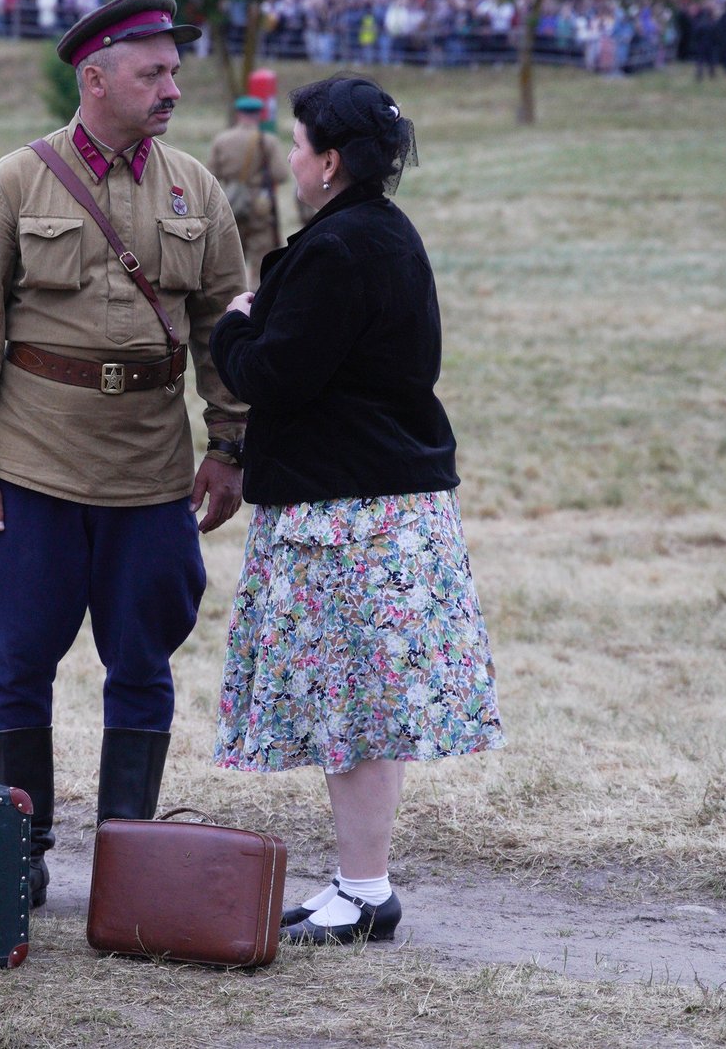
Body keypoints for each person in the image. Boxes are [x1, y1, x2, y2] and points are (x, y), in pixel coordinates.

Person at [0, 0, 250, 910]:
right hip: (34, 468)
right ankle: (20, 849)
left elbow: (225, 330)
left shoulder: (197, 188)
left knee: (143, 665)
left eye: (176, 72)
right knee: (19, 661)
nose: (172, 89)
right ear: (95, 76)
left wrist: (229, 445)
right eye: (153, 73)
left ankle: (127, 854)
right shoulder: (13, 183)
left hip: (151, 474)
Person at [208, 75, 505, 946]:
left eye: (300, 146)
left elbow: (271, 375)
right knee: (360, 714)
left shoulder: (338, 252)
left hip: (351, 519)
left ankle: (365, 889)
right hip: (378, 509)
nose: (293, 158)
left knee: (357, 716)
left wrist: (233, 325)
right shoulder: (387, 236)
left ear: (330, 162)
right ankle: (357, 883)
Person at [208, 95, 289, 279]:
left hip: (230, 200)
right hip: (259, 203)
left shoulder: (222, 140)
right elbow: (281, 174)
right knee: (262, 255)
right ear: (258, 115)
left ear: (238, 114)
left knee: (231, 254)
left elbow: (210, 174)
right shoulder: (267, 140)